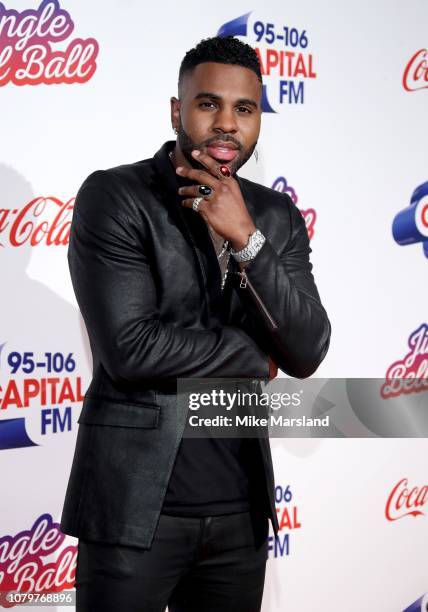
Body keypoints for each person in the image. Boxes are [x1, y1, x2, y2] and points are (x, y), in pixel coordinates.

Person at [60, 35, 331, 612]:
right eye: (208, 104)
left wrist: (246, 238)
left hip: (240, 513)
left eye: (245, 109)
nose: (226, 124)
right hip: (134, 514)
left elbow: (307, 349)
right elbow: (132, 348)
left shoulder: (275, 217)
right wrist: (255, 356)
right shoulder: (118, 196)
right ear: (177, 110)